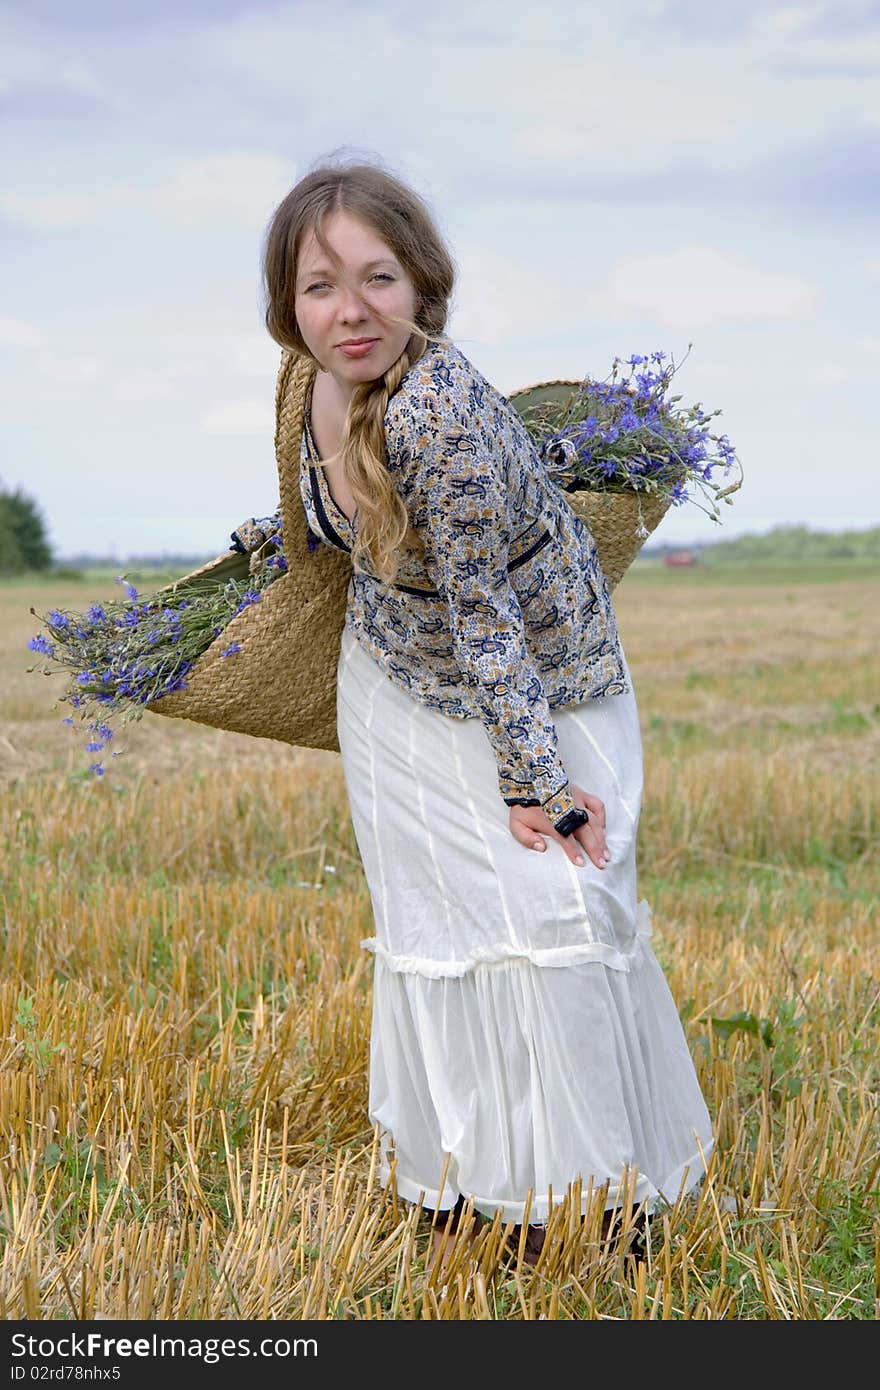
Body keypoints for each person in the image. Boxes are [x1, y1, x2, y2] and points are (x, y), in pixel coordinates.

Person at [254, 156, 714, 1273]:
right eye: (321, 286)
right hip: (397, 689)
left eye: (376, 277)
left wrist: (539, 784)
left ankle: (598, 1204)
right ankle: (464, 1185)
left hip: (535, 690)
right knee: (445, 935)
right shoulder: (308, 380)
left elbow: (488, 613)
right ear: (288, 304)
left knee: (555, 920)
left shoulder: (436, 417)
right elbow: (331, 528)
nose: (349, 309)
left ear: (422, 284)